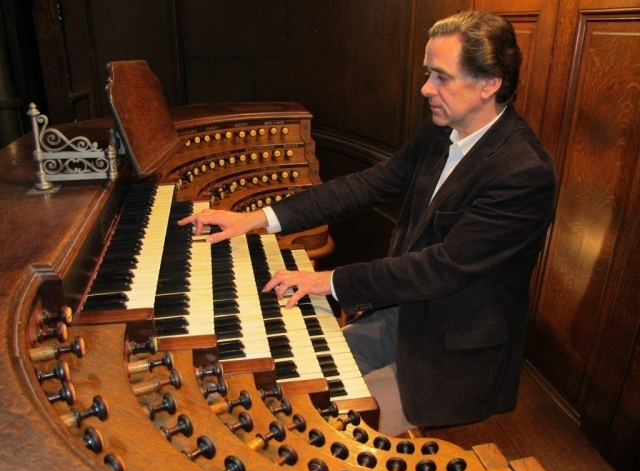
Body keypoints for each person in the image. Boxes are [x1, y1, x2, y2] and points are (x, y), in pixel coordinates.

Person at [178, 11, 557, 435]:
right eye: (427, 73)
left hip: (452, 354)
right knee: (284, 380)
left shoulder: (523, 172)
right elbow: (365, 185)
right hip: (403, 316)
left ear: (490, 83)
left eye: (441, 76)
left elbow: (441, 268)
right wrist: (257, 219)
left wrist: (328, 280)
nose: (425, 88)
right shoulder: (439, 132)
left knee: (318, 425)